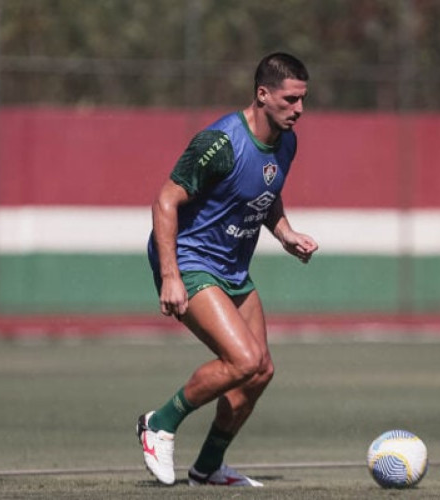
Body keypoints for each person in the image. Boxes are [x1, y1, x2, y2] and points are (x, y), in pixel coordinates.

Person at [137, 52, 318, 487]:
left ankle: (207, 468)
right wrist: (171, 276)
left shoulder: (286, 142)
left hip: (232, 267)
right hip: (191, 260)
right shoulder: (219, 143)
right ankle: (158, 424)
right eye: (290, 99)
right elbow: (165, 201)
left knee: (261, 371)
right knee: (243, 360)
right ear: (263, 94)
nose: (299, 109)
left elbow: (265, 191)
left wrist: (285, 232)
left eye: (303, 99)